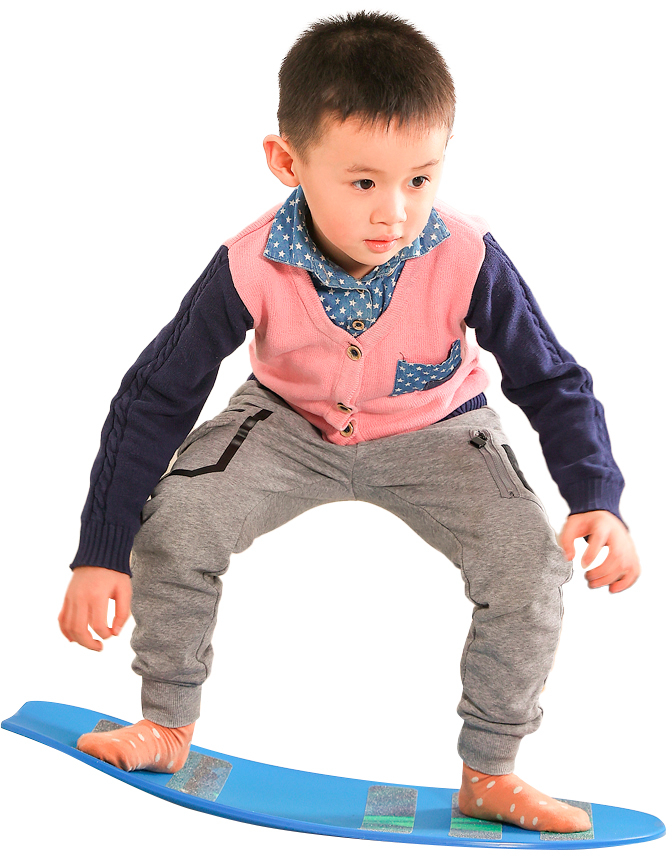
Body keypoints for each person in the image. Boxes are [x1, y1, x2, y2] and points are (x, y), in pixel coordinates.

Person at [58, 11, 639, 834]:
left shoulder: (468, 254)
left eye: (420, 179)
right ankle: (167, 724)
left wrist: (596, 496)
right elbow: (155, 395)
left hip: (439, 428)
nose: (394, 213)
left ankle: (491, 771)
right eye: (364, 183)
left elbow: (552, 378)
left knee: (528, 564)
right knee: (179, 523)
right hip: (286, 423)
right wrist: (102, 547)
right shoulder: (249, 262)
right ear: (287, 162)